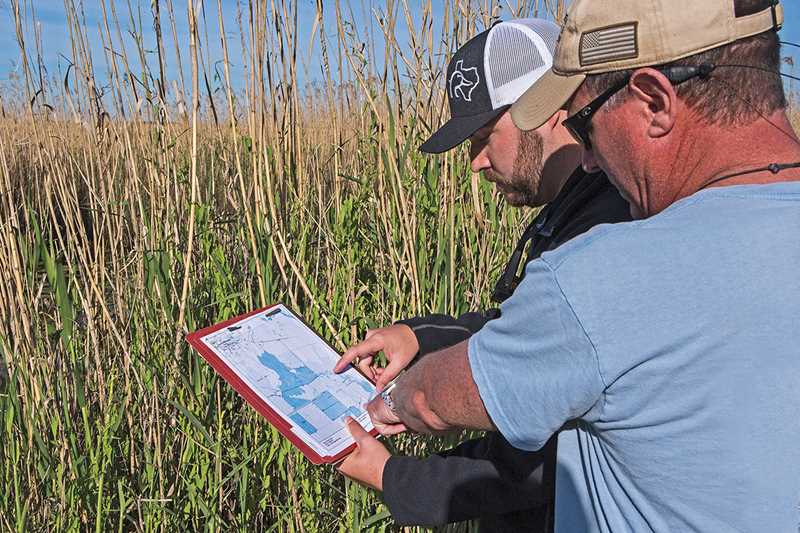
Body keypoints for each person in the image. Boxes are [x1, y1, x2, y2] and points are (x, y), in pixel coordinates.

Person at [357, 0, 800, 531]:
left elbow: (434, 398)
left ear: (654, 101)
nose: (588, 157)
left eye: (584, 122)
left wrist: (394, 413)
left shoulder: (611, 266)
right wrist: (426, 334)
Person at [334, 19, 631, 531]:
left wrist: (399, 479)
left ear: (547, 108)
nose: (475, 163)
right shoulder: (570, 210)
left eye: (483, 137)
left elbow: (546, 453)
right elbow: (522, 334)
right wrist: (420, 338)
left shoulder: (607, 231)